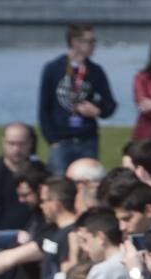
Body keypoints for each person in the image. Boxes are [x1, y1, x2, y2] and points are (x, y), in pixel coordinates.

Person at [39, 24, 117, 175]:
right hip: (61, 141)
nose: (94, 45)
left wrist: (97, 110)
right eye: (90, 41)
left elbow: (110, 105)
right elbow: (44, 108)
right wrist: (52, 140)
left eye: (94, 41)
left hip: (87, 140)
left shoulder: (95, 71)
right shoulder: (53, 68)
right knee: (60, 185)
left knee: (88, 183)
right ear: (75, 42)